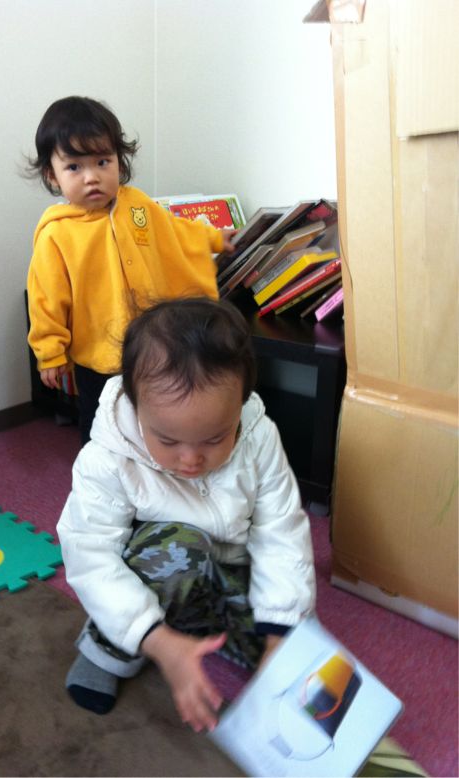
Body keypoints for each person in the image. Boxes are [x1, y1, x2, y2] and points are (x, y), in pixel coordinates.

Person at [56, 296, 316, 733]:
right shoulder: (107, 457)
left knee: (296, 648)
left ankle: (213, 632)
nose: (191, 459)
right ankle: (107, 652)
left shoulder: (259, 436)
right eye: (168, 440)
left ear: (241, 404)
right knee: (177, 548)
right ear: (136, 408)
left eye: (214, 438)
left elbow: (281, 530)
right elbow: (90, 555)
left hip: (229, 567)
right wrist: (158, 642)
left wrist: (279, 633)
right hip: (159, 574)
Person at [26, 96, 236, 444]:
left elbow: (174, 232)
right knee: (101, 423)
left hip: (152, 344)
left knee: (151, 415)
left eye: (102, 162)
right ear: (52, 175)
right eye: (74, 167)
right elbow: (46, 298)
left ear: (118, 161)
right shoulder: (56, 234)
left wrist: (213, 238)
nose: (92, 177)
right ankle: (99, 473)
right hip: (98, 355)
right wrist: (50, 352)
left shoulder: (137, 205)